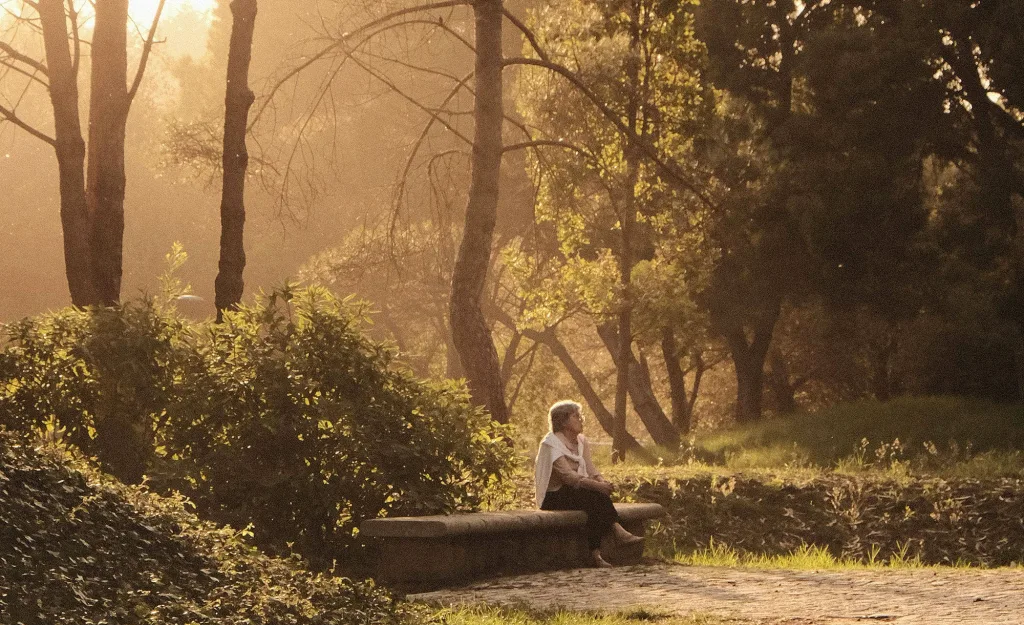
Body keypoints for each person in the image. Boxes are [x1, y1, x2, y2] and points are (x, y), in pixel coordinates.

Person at [535, 400, 643, 568]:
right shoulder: (551, 444)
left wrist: (601, 480)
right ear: (563, 421)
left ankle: (597, 554)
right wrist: (597, 486)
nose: (581, 419)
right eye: (576, 416)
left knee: (593, 501)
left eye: (580, 415)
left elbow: (590, 467)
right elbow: (568, 477)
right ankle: (616, 531)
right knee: (593, 497)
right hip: (553, 495)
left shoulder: (581, 441)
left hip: (577, 492)